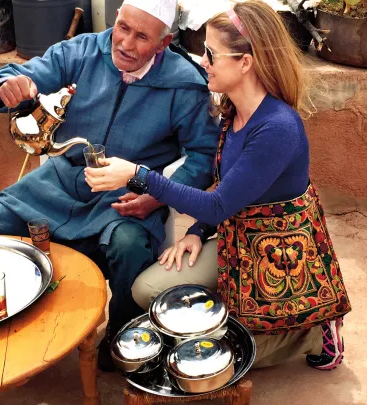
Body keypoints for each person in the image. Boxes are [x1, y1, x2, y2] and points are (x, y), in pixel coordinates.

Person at [85, 0, 351, 371]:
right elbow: (223, 197)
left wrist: (138, 174)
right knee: (147, 291)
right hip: (237, 237)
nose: (202, 61)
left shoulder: (277, 128)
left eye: (210, 53)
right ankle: (240, 312)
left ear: (245, 63)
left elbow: (217, 204)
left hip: (280, 257)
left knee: (219, 360)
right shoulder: (233, 110)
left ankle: (314, 330)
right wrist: (197, 232)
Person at [0, 0, 219, 371]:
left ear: (164, 44)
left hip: (128, 195)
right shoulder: (83, 50)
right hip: (61, 181)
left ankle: (123, 337)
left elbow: (202, 155)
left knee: (129, 245)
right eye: (124, 28)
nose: (126, 44)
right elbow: (20, 75)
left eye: (142, 37)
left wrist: (154, 195)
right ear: (116, 19)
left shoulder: (184, 83)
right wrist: (10, 85)